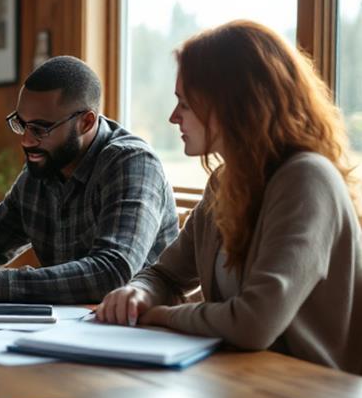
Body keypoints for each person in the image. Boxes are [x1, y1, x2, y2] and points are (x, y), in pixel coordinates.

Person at [96, 20, 362, 373]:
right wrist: (139, 294)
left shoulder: (307, 179)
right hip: (241, 382)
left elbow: (254, 323)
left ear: (233, 106)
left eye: (185, 104)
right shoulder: (224, 182)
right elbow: (166, 276)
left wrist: (159, 315)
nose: (173, 117)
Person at [0, 55, 178, 303]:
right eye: (22, 124)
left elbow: (112, 271)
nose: (26, 140)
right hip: (66, 327)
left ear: (86, 122)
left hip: (140, 329)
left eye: (41, 128)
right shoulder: (44, 166)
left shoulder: (132, 163)